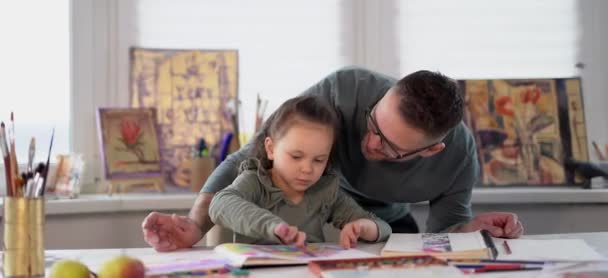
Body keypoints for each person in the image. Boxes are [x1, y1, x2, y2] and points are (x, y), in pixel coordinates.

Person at [142, 67, 524, 252]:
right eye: (373, 123)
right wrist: (194, 224)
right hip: (318, 213)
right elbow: (251, 154)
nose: (370, 144)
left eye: (389, 147)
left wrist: (471, 228)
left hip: (382, 224)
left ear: (429, 151)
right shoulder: (344, 91)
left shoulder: (457, 160)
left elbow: (441, 238)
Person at [208, 96, 391, 248]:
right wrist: (273, 227)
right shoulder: (255, 181)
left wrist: (363, 227)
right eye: (296, 157)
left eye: (319, 160)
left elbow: (383, 227)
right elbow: (220, 203)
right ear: (271, 149)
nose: (307, 169)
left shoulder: (326, 190)